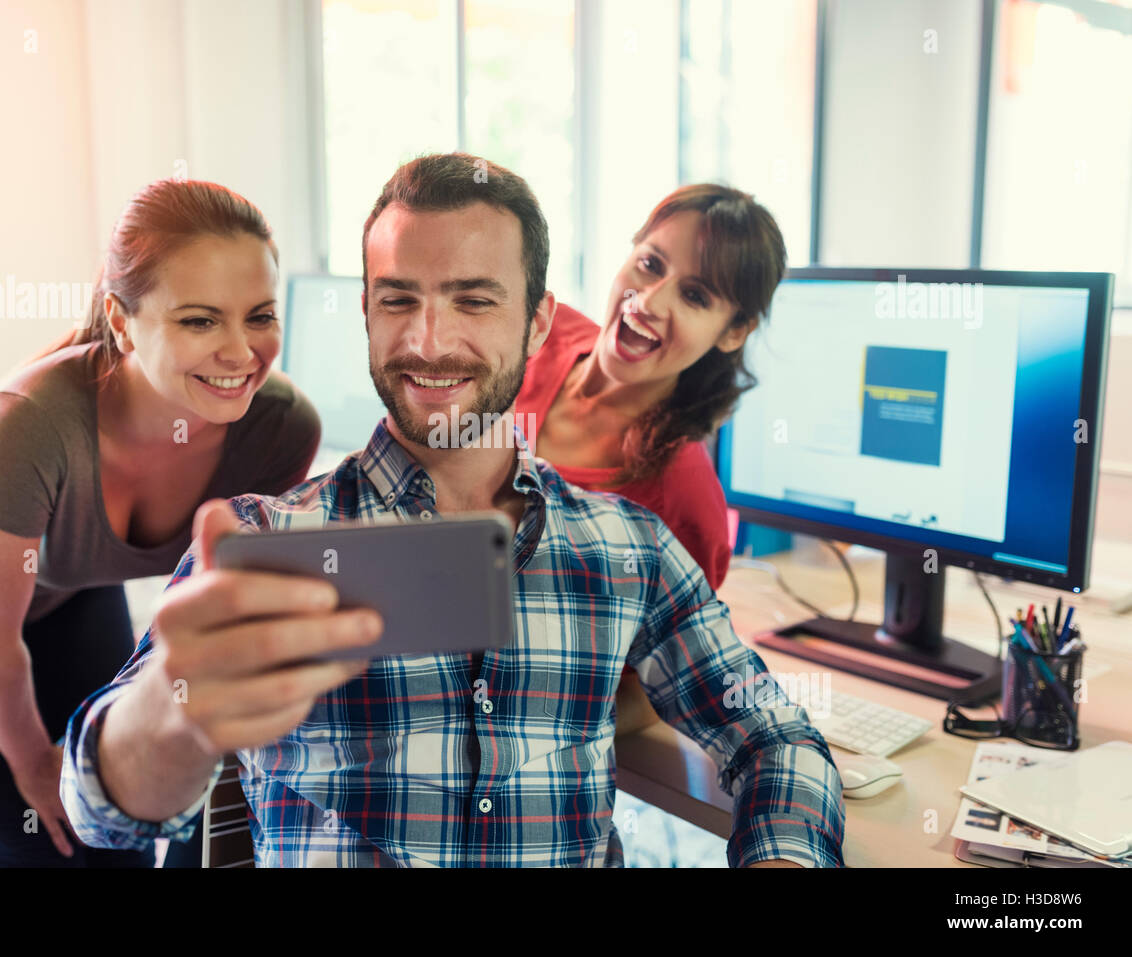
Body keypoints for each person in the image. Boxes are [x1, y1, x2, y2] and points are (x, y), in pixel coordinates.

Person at [61, 153, 844, 868]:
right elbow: (97, 810)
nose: (431, 341)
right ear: (365, 311)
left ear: (538, 321)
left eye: (474, 300)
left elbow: (776, 735)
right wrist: (176, 704)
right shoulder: (266, 538)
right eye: (399, 299)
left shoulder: (629, 547)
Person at [0, 179, 321, 867]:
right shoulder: (30, 423)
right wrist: (34, 762)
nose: (242, 352)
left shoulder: (278, 430)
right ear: (122, 323)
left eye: (260, 315)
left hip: (68, 581)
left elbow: (227, 614)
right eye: (199, 320)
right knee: (55, 844)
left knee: (120, 825)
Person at [513, 184, 787, 739]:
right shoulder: (534, 331)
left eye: (695, 296)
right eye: (649, 264)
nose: (650, 301)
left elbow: (651, 688)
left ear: (734, 331)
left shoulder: (680, 494)